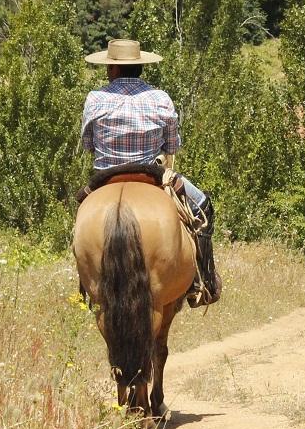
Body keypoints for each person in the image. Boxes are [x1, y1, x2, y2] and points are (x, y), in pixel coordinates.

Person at [80, 38, 221, 306]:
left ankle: (85, 279)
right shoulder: (160, 98)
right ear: (141, 67)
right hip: (151, 174)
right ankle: (203, 280)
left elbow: (89, 145)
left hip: (104, 178)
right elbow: (172, 145)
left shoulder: (95, 98)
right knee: (203, 206)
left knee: (82, 215)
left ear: (111, 69)